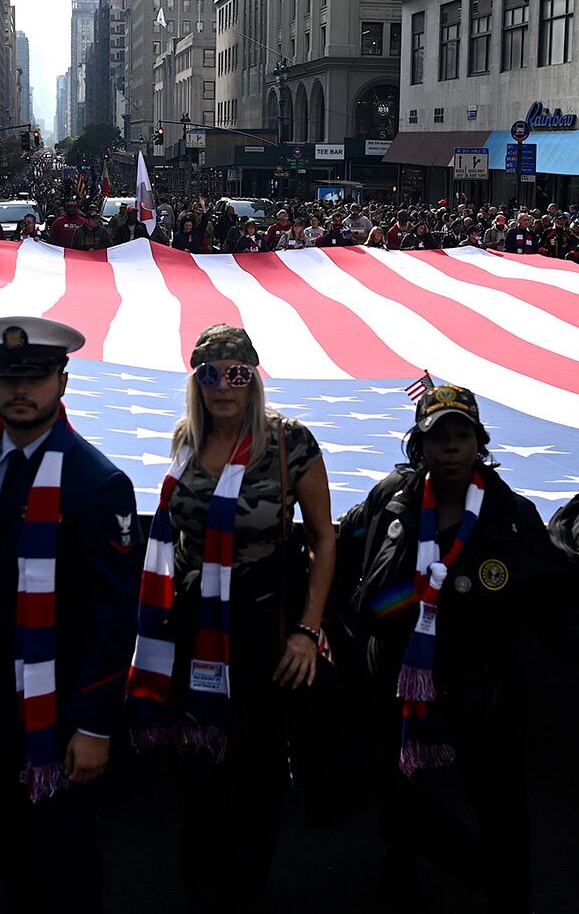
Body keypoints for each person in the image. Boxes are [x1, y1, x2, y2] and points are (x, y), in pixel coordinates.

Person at [332, 384, 579, 911]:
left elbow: (548, 596)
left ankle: (507, 894)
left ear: (478, 442)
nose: (450, 448)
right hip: (397, 682)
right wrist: (327, 626)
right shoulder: (389, 500)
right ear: (419, 446)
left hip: (481, 688)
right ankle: (403, 875)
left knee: (503, 808)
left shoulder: (511, 516)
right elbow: (340, 555)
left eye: (461, 435)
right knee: (397, 799)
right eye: (437, 437)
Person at [0, 316, 140, 913]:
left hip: (59, 707)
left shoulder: (98, 486)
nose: (21, 390)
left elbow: (111, 620)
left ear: (63, 381)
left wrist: (95, 726)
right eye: (7, 376)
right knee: (9, 847)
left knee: (67, 857)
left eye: (37, 377)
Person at [126, 324, 336, 910]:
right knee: (195, 763)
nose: (224, 385)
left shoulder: (289, 442)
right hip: (193, 627)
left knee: (255, 768)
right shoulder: (186, 438)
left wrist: (308, 629)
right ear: (197, 380)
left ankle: (245, 890)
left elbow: (323, 538)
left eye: (237, 372)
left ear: (254, 378)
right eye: (210, 373)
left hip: (263, 632)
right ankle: (200, 883)